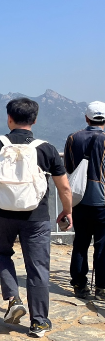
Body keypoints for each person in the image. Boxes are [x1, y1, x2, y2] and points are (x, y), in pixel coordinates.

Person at [0, 98, 72, 338]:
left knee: (2, 253)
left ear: (9, 118)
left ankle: (14, 298)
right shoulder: (45, 148)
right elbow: (64, 188)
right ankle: (39, 322)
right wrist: (67, 211)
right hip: (36, 216)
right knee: (37, 267)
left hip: (1, 213)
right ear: (35, 120)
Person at [64, 101, 105, 299]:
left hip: (78, 198)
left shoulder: (73, 138)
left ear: (86, 118)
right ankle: (102, 287)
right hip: (103, 200)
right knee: (103, 243)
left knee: (80, 242)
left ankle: (80, 285)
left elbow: (69, 168)